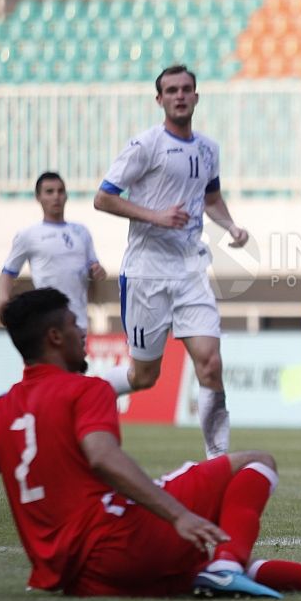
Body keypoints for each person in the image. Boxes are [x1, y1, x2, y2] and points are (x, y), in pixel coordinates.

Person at [0, 287, 301, 598]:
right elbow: (102, 457)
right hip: (118, 542)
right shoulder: (88, 389)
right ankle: (228, 567)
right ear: (56, 338)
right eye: (76, 326)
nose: (84, 333)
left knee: (213, 560)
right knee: (254, 462)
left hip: (82, 581)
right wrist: (177, 513)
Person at [94, 64, 248, 458]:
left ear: (196, 96)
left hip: (190, 269)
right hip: (146, 273)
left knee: (210, 364)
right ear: (159, 99)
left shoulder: (209, 149)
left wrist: (230, 226)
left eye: (186, 89)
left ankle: (218, 463)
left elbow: (211, 198)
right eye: (171, 90)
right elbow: (103, 197)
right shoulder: (145, 146)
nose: (180, 95)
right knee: (144, 376)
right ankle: (89, 393)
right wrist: (156, 216)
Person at [0, 172, 106, 345]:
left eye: (60, 191)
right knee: (52, 370)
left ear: (66, 195)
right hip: (47, 322)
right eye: (49, 192)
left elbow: (93, 272)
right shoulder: (29, 235)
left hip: (78, 322)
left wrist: (96, 273)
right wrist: (3, 300)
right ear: (38, 197)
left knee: (74, 371)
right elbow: (8, 272)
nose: (56, 196)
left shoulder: (81, 232)